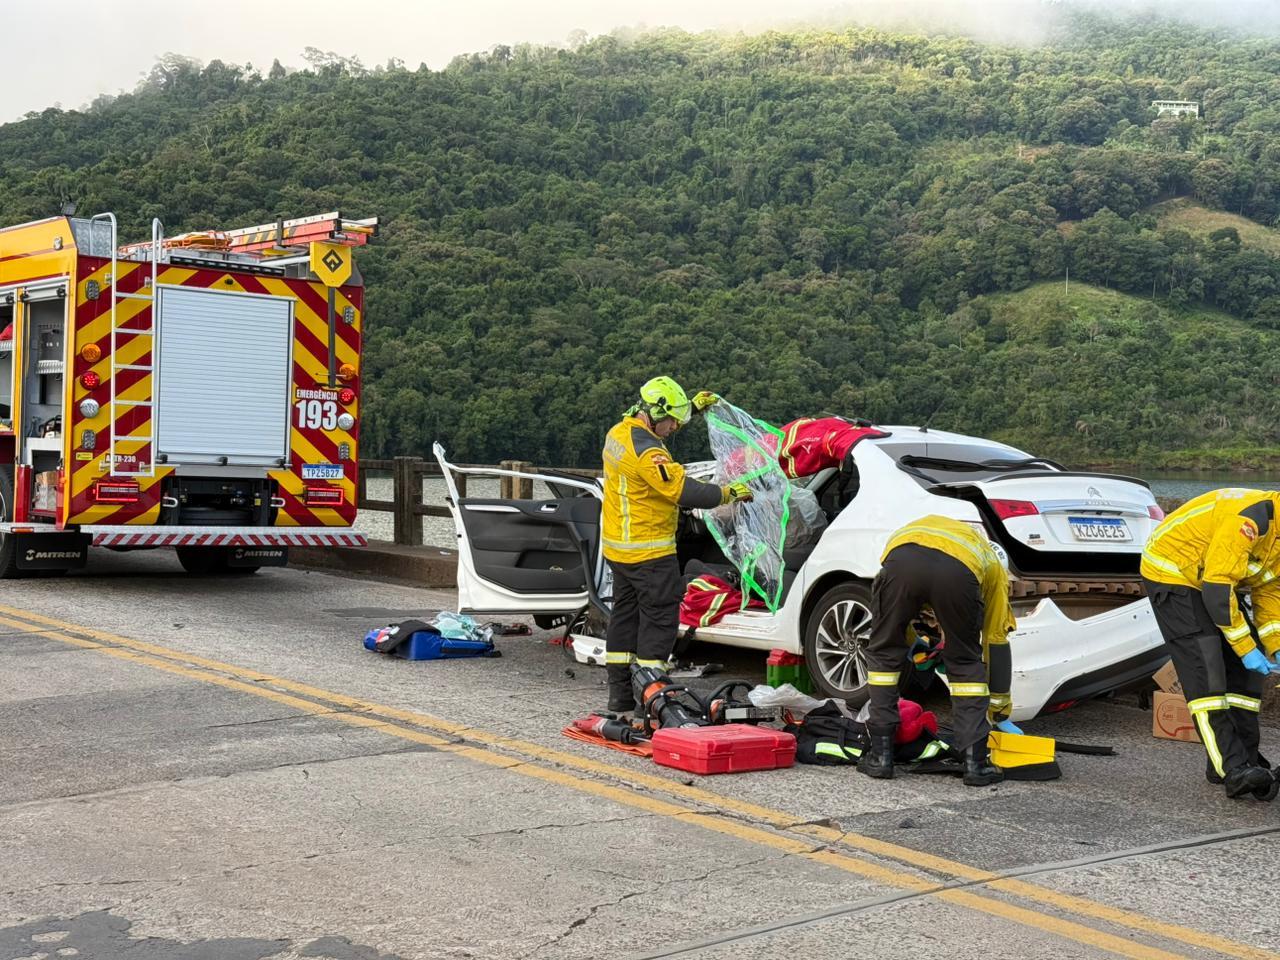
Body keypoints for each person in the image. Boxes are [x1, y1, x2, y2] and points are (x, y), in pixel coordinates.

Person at [601, 376, 752, 713]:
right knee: (659, 621)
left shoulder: (619, 434)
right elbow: (684, 491)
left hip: (619, 550)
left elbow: (653, 437)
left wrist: (693, 410)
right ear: (655, 413)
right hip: (649, 551)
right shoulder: (649, 453)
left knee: (624, 617)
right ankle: (650, 697)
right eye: (672, 421)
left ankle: (620, 694)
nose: (673, 428)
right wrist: (728, 493)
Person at [1141, 489, 1280, 800]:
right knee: (1207, 668)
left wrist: (1274, 644)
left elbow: (1269, 595)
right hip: (1173, 571)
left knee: (1245, 674)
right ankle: (1233, 770)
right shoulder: (1249, 520)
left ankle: (1246, 759)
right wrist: (1246, 649)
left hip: (1211, 578)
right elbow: (1218, 593)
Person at [860, 515, 1016, 786]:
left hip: (900, 559)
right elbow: (995, 638)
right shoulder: (992, 568)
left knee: (884, 652)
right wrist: (1000, 705)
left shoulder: (931, 528)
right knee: (965, 661)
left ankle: (881, 756)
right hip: (957, 574)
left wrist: (915, 644)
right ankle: (976, 764)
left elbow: (896, 618)